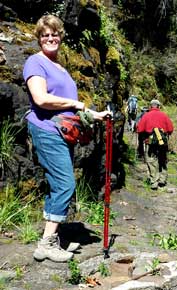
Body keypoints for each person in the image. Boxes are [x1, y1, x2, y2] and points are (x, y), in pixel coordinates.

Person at [23, 14, 111, 263]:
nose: (50, 38)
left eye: (54, 34)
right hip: (47, 130)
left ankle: (52, 240)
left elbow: (73, 109)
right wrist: (76, 102)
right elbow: (41, 99)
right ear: (39, 39)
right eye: (45, 35)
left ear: (61, 36)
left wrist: (95, 114)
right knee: (65, 184)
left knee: (57, 184)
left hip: (64, 132)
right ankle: (47, 243)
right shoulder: (35, 63)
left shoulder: (60, 67)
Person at [136, 99, 174, 190]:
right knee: (162, 159)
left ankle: (154, 181)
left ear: (150, 106)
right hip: (162, 142)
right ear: (159, 106)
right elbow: (170, 129)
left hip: (150, 141)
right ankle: (162, 180)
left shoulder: (146, 116)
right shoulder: (164, 115)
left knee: (151, 160)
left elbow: (140, 129)